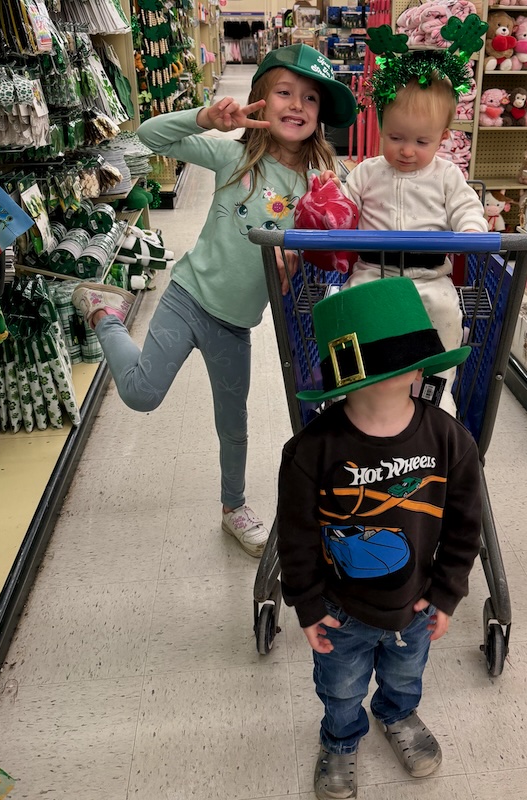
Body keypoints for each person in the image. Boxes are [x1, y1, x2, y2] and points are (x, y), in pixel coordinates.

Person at [71, 45, 357, 556]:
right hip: (188, 297)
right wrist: (206, 117)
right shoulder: (233, 157)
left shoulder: (321, 183)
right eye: (284, 92)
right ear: (260, 100)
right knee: (141, 393)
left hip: (236, 323)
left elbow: (337, 238)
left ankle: (233, 508)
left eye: (310, 98)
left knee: (234, 423)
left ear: (321, 115)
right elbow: (148, 136)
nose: (297, 105)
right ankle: (105, 313)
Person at [276, 278, 482, 799]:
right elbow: (296, 537)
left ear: (419, 371)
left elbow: (465, 524)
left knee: (406, 675)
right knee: (340, 688)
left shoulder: (449, 439)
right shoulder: (311, 451)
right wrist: (306, 605)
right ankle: (340, 738)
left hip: (416, 600)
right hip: (339, 608)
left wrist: (447, 591)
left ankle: (397, 714)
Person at [322, 47, 487, 416]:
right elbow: (345, 209)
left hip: (429, 277)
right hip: (372, 273)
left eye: (421, 142)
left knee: (445, 314)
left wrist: (470, 229)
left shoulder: (447, 175)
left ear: (443, 137)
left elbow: (466, 206)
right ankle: (347, 391)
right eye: (396, 137)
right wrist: (331, 195)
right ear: (381, 127)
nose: (407, 151)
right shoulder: (367, 172)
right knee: (350, 312)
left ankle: (438, 390)